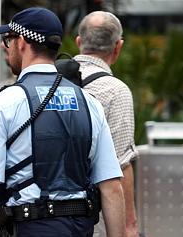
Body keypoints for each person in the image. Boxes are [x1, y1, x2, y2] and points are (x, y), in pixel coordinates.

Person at [0, 7, 125, 237]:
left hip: (29, 227)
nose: (3, 46)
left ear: (23, 42)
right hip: (80, 228)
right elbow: (112, 187)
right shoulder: (89, 103)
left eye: (8, 39)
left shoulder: (4, 103)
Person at [74, 11, 139, 237]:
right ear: (118, 47)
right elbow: (121, 163)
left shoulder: (51, 81)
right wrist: (129, 226)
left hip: (45, 216)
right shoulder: (116, 91)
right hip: (95, 220)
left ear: (79, 42)